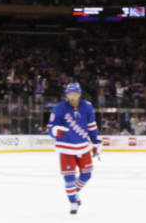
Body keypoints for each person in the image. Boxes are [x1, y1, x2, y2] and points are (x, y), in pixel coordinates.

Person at [46, 82, 102, 215]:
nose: (72, 96)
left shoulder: (87, 106)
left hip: (83, 147)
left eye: (75, 93)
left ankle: (73, 193)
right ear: (67, 94)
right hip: (65, 148)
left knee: (87, 175)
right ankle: (73, 202)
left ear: (79, 94)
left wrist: (96, 142)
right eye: (70, 94)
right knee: (69, 178)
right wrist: (56, 130)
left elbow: (92, 126)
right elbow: (50, 128)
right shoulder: (59, 108)